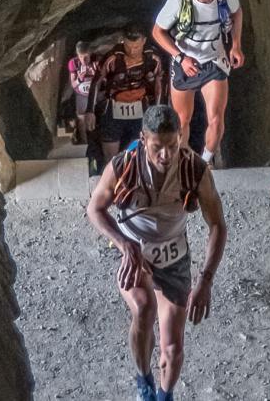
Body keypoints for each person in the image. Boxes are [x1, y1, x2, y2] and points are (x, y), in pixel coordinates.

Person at [86, 105, 227, 401]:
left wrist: (206, 280)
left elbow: (217, 224)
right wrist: (124, 245)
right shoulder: (123, 166)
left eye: (172, 146)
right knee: (144, 307)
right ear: (143, 139)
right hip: (136, 254)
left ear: (180, 138)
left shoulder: (194, 169)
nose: (166, 155)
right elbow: (95, 209)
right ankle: (144, 380)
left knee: (173, 350)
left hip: (174, 258)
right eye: (157, 147)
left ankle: (164, 396)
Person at [151, 0, 245, 166]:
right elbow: (158, 32)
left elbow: (237, 13)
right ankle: (181, 161)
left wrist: (236, 44)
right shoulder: (179, 1)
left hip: (214, 59)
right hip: (186, 60)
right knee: (182, 119)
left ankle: (205, 162)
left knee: (216, 118)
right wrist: (180, 58)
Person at [86, 23, 168, 160]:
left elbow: (160, 84)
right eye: (128, 46)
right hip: (114, 108)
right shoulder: (112, 57)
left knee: (139, 154)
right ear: (123, 41)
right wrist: (90, 110)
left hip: (140, 107)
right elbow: (96, 81)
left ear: (144, 41)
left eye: (136, 47)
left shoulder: (153, 58)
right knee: (111, 157)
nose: (132, 51)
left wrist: (159, 111)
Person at [68, 41, 97, 145]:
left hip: (95, 93)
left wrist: (96, 74)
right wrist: (79, 79)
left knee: (95, 116)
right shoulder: (74, 63)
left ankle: (95, 141)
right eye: (81, 57)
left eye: (86, 57)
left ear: (90, 54)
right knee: (81, 118)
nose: (84, 60)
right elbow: (73, 84)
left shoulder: (96, 61)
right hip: (81, 94)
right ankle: (85, 142)